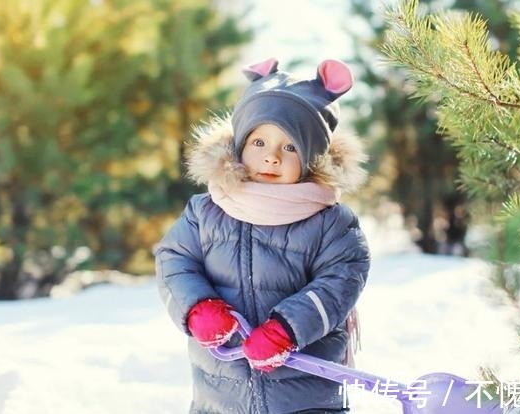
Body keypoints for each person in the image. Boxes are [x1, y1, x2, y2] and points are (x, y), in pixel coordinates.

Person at [154, 57, 371, 414]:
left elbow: (340, 282)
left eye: (289, 147)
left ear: (311, 157)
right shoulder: (206, 210)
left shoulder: (330, 221)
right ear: (240, 145)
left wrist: (287, 328)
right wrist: (197, 307)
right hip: (222, 396)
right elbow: (174, 260)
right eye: (259, 143)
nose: (272, 157)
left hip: (305, 398)